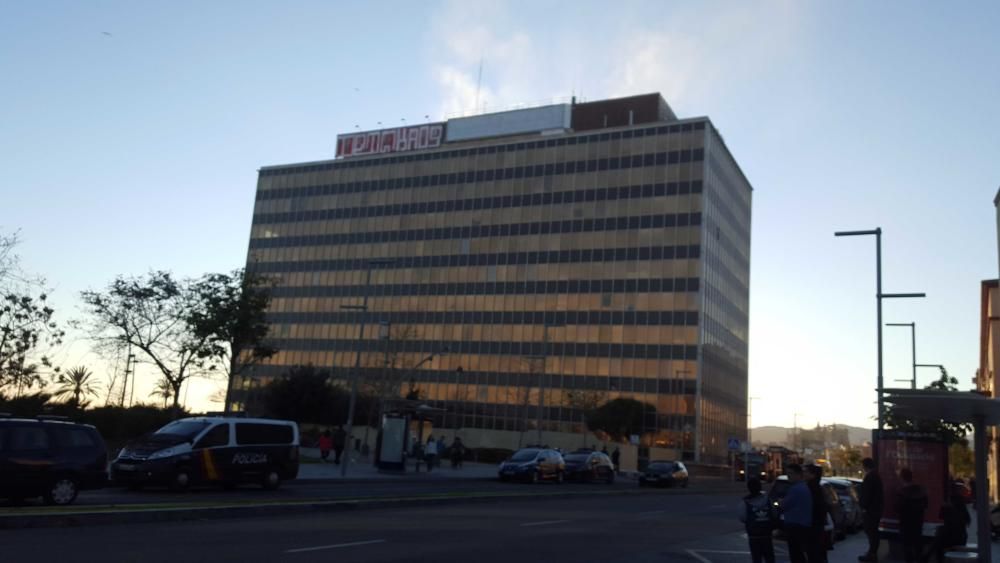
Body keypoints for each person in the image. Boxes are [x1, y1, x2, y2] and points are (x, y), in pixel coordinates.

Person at [921, 484, 970, 562]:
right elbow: (966, 521)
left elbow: (941, 517)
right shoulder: (962, 506)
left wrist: (944, 507)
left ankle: (927, 558)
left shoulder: (949, 505)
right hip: (961, 537)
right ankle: (926, 557)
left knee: (939, 540)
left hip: (954, 538)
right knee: (939, 538)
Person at [781, 464, 814, 563]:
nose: (788, 476)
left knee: (796, 555)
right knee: (800, 554)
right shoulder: (804, 487)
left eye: (791, 473)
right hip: (803, 525)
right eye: (787, 474)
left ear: (799, 475)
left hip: (795, 525)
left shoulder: (795, 489)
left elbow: (784, 505)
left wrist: (780, 503)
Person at [740, 477, 776, 563]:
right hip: (767, 534)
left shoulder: (745, 502)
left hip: (753, 535)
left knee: (756, 558)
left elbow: (742, 517)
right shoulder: (768, 500)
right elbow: (774, 514)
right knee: (769, 557)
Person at [896, 468, 929, 563]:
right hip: (918, 520)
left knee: (907, 546)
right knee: (918, 543)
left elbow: (898, 507)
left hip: (905, 522)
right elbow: (926, 505)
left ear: (902, 478)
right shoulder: (921, 490)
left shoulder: (902, 492)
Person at [858, 457, 884, 562]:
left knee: (871, 531)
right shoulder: (875, 476)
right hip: (875, 509)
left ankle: (872, 553)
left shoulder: (870, 477)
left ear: (865, 466)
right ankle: (872, 553)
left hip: (871, 510)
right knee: (872, 531)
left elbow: (867, 494)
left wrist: (863, 506)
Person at [805, 463, 830, 562]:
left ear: (813, 474)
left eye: (806, 472)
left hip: (813, 525)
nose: (804, 474)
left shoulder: (811, 488)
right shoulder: (818, 487)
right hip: (818, 525)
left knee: (813, 553)